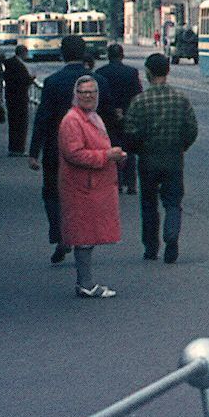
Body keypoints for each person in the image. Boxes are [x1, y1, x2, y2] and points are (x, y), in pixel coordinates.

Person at [29, 35, 100, 264]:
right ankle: (81, 238)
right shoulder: (98, 83)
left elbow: (43, 118)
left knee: (52, 192)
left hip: (56, 148)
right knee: (85, 194)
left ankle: (60, 233)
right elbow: (108, 117)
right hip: (90, 149)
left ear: (62, 53)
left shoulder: (53, 82)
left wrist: (33, 152)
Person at [122, 54, 199, 264]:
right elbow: (192, 129)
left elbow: (130, 132)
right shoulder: (180, 99)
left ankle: (150, 247)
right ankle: (171, 234)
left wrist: (138, 149)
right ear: (168, 71)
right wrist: (181, 146)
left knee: (148, 204)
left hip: (148, 159)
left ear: (147, 72)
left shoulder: (139, 101)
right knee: (173, 202)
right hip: (173, 157)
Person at [58, 75, 125, 297]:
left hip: (92, 186)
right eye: (83, 92)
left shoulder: (92, 117)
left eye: (92, 92)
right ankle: (85, 284)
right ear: (75, 95)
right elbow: (74, 154)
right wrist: (107, 155)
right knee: (84, 236)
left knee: (88, 234)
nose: (88, 96)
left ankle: (86, 282)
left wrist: (113, 156)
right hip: (82, 187)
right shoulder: (72, 121)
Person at [93, 44, 143, 195]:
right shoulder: (131, 73)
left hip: (107, 117)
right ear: (122, 55)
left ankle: (118, 182)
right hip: (128, 115)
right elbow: (137, 95)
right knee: (129, 149)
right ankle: (132, 183)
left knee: (112, 147)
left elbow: (98, 98)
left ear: (108, 56)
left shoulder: (100, 73)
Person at [1, 44, 34, 156]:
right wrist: (31, 78)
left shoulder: (9, 63)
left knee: (13, 123)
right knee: (21, 124)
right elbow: (23, 81)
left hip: (10, 97)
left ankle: (13, 147)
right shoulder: (19, 65)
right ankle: (19, 148)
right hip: (20, 98)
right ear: (23, 53)